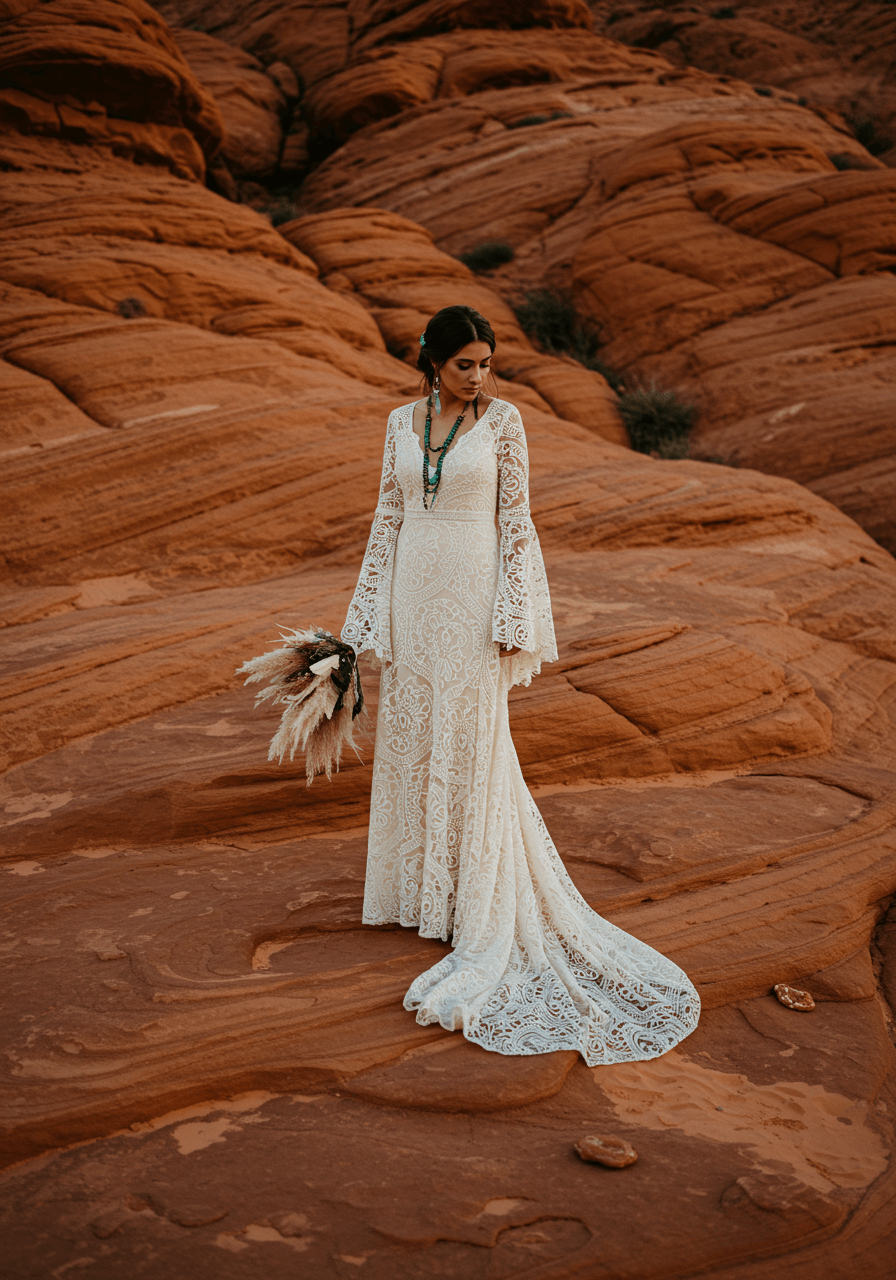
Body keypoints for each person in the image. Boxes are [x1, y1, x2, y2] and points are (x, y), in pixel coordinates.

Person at [341, 304, 699, 1064]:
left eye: (486, 363)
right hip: (412, 595)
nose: (478, 376)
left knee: (473, 743)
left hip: (473, 597)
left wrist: (516, 612)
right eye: (464, 364)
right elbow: (388, 515)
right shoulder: (400, 423)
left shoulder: (504, 422)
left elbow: (517, 521)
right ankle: (420, 897)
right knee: (413, 738)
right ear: (432, 361)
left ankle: (471, 902)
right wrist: (364, 616)